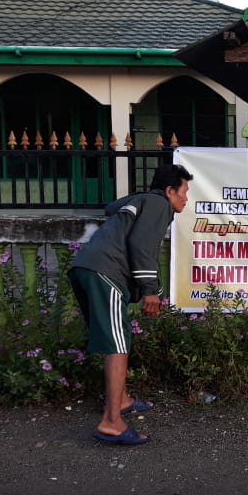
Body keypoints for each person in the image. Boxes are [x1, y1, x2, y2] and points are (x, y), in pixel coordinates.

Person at [68, 163, 193, 444]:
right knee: (118, 345)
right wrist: (151, 290)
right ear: (169, 191)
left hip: (85, 269)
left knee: (117, 338)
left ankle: (122, 400)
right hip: (106, 272)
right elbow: (142, 245)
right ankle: (111, 422)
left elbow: (111, 207)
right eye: (184, 192)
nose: (186, 199)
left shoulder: (139, 202)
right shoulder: (159, 204)